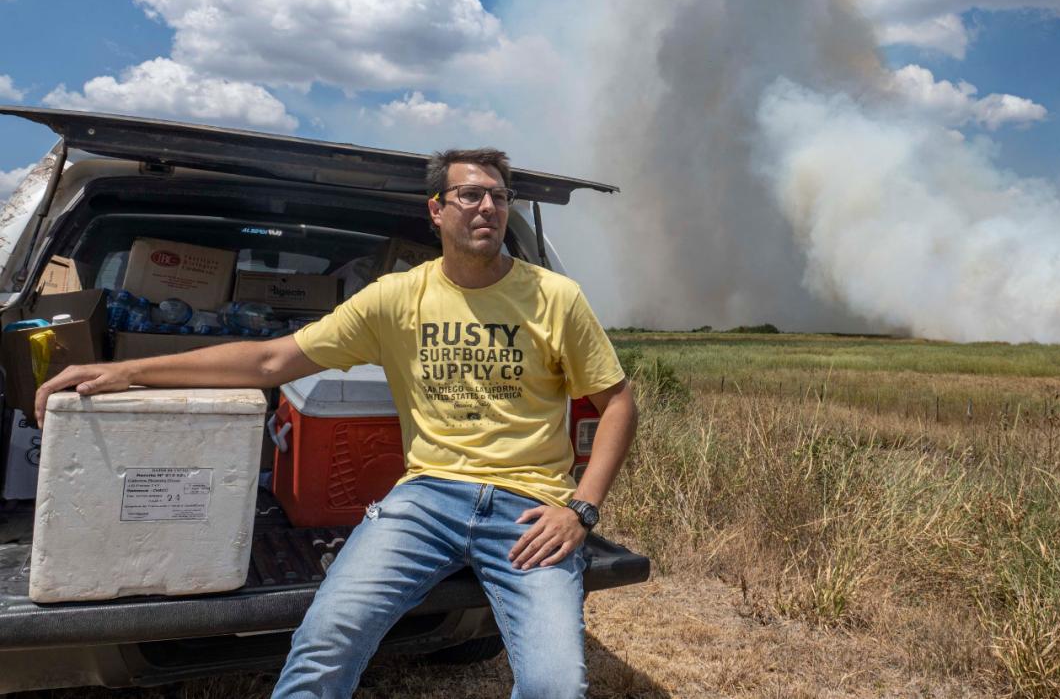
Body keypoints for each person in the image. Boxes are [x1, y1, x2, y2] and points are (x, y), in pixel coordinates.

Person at [34, 147, 637, 699]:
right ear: (436, 210)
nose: (487, 207)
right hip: (426, 502)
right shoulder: (396, 297)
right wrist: (127, 374)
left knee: (556, 687)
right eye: (470, 195)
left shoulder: (555, 296)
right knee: (325, 642)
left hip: (531, 508)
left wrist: (581, 508)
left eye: (499, 197)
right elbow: (272, 359)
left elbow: (616, 402)